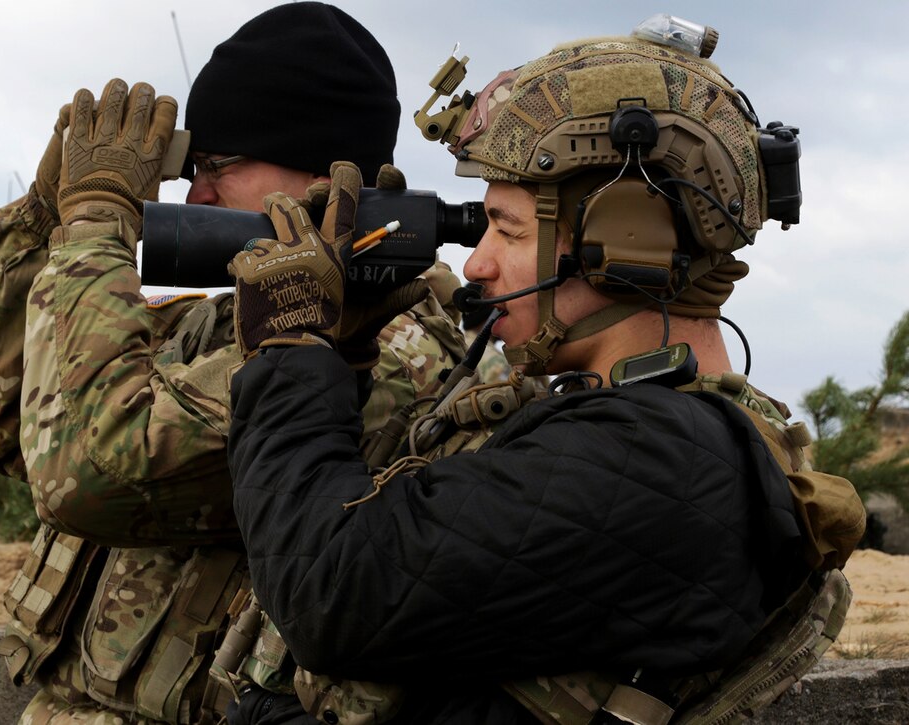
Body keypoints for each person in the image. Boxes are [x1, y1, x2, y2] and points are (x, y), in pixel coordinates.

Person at [221, 17, 867, 724]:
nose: (477, 264)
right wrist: (343, 351)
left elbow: (330, 590)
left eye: (511, 229)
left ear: (624, 239)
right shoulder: (660, 435)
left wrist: (289, 349)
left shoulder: (658, 459)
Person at [0, 4, 468, 723]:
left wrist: (98, 219)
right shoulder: (223, 323)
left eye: (215, 168)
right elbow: (9, 419)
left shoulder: (377, 348)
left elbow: (84, 473)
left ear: (324, 176)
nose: (194, 196)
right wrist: (45, 214)